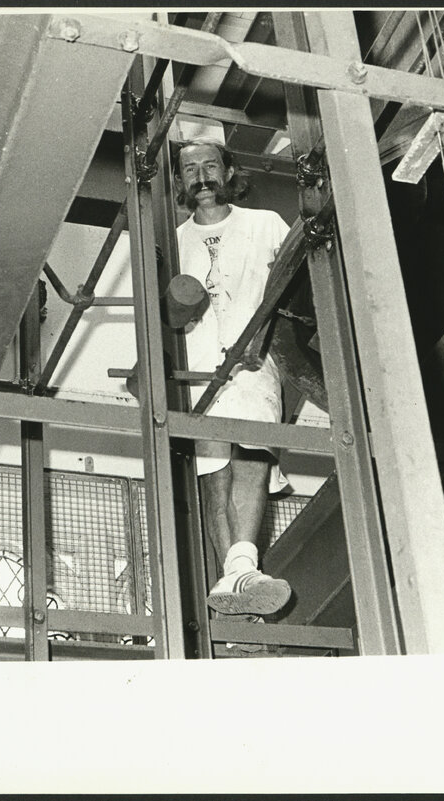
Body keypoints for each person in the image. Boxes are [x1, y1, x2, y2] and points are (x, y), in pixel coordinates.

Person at [172, 138, 293, 618]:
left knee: (252, 454)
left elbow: (298, 291)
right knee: (212, 472)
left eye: (209, 166)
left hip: (255, 365)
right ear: (179, 181)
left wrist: (264, 341)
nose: (201, 176)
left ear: (227, 172)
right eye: (190, 170)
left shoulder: (266, 225)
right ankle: (237, 573)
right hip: (197, 370)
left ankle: (241, 565)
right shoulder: (171, 240)